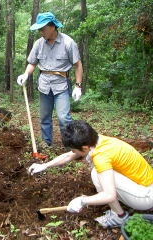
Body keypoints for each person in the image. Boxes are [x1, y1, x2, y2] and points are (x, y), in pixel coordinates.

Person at [28, 120, 153, 228]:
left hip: (145, 196)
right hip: (144, 185)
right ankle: (120, 209)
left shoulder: (101, 156)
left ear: (85, 148)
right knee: (97, 173)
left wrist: (82, 201)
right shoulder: (98, 140)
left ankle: (120, 216)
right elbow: (69, 156)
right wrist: (44, 165)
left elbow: (109, 195)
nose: (72, 152)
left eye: (74, 149)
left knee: (97, 174)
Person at [17, 12, 83, 148]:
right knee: (44, 118)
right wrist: (26, 74)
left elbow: (78, 65)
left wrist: (78, 86)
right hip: (44, 85)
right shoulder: (38, 44)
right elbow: (32, 63)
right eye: (39, 29)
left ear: (52, 27)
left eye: (42, 28)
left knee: (64, 118)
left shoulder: (68, 43)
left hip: (61, 86)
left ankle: (70, 146)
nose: (40, 32)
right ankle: (46, 143)